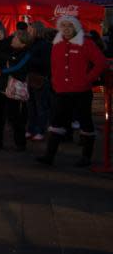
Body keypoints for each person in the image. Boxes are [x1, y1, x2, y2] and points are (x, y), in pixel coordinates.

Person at [38, 16, 108, 167]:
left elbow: (101, 63)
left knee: (85, 122)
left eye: (70, 25)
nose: (66, 28)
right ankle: (49, 156)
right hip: (61, 91)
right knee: (56, 122)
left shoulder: (86, 43)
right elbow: (54, 66)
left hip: (81, 91)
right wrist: (55, 82)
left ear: (76, 27)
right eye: (63, 25)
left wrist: (87, 79)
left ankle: (86, 157)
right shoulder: (56, 45)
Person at [0, 30, 31, 151]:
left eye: (16, 39)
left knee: (14, 118)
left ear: (23, 43)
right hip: (0, 88)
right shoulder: (6, 47)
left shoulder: (26, 53)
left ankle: (20, 144)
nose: (13, 40)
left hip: (12, 90)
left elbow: (18, 67)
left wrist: (1, 71)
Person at [25, 21, 52, 141]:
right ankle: (31, 129)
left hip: (40, 78)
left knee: (41, 106)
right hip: (29, 78)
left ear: (37, 30)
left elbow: (46, 63)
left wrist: (28, 59)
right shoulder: (30, 43)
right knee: (30, 107)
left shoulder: (45, 44)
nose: (28, 31)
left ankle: (40, 130)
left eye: (30, 30)